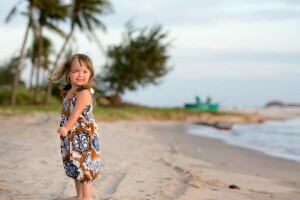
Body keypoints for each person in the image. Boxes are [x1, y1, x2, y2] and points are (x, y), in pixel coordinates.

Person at [49, 54, 101, 200]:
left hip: (83, 137)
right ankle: (79, 196)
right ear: (68, 72)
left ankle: (87, 197)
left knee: (85, 167)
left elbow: (76, 113)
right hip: (72, 136)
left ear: (90, 74)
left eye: (85, 71)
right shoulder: (69, 92)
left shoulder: (84, 93)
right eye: (76, 70)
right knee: (75, 164)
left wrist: (65, 127)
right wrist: (66, 131)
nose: (80, 75)